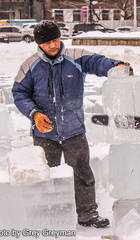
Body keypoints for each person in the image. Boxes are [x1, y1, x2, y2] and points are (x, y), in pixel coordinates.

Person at [12, 21, 130, 228]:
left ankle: (87, 215)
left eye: (56, 39)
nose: (53, 45)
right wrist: (35, 114)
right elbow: (19, 93)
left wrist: (115, 66)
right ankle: (50, 217)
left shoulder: (75, 56)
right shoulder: (29, 65)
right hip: (44, 133)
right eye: (47, 42)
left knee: (83, 174)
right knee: (49, 177)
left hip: (74, 130)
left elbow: (97, 62)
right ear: (39, 44)